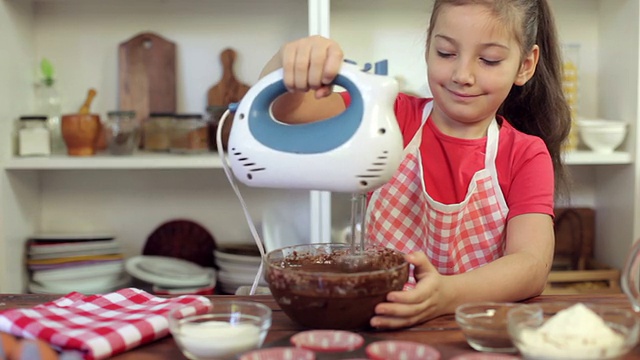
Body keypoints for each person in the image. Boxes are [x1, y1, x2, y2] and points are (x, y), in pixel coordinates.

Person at [259, 0, 571, 329]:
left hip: (471, 329)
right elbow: (287, 114)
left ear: (525, 65)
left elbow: (531, 265)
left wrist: (446, 295)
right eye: (446, 53)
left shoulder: (525, 154)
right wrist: (289, 63)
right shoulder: (388, 115)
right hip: (376, 322)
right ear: (427, 48)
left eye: (489, 59)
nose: (462, 75)